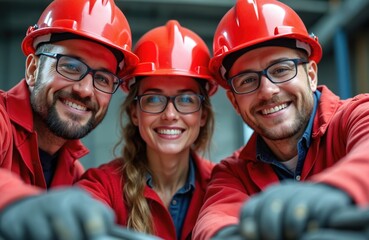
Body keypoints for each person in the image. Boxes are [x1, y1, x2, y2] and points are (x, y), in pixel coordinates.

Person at [192, 0, 369, 240]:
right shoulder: (233, 173)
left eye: (281, 69)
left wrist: (334, 190)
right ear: (234, 102)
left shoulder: (354, 116)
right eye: (247, 80)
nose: (267, 91)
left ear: (311, 76)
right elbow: (213, 219)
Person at [0, 0, 161, 239]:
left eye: (103, 79)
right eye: (71, 66)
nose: (85, 90)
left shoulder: (73, 173)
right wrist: (16, 203)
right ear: (33, 70)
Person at [75, 20, 218, 240]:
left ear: (203, 115)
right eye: (153, 99)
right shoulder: (102, 185)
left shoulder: (220, 184)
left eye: (187, 99)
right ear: (135, 112)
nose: (170, 114)